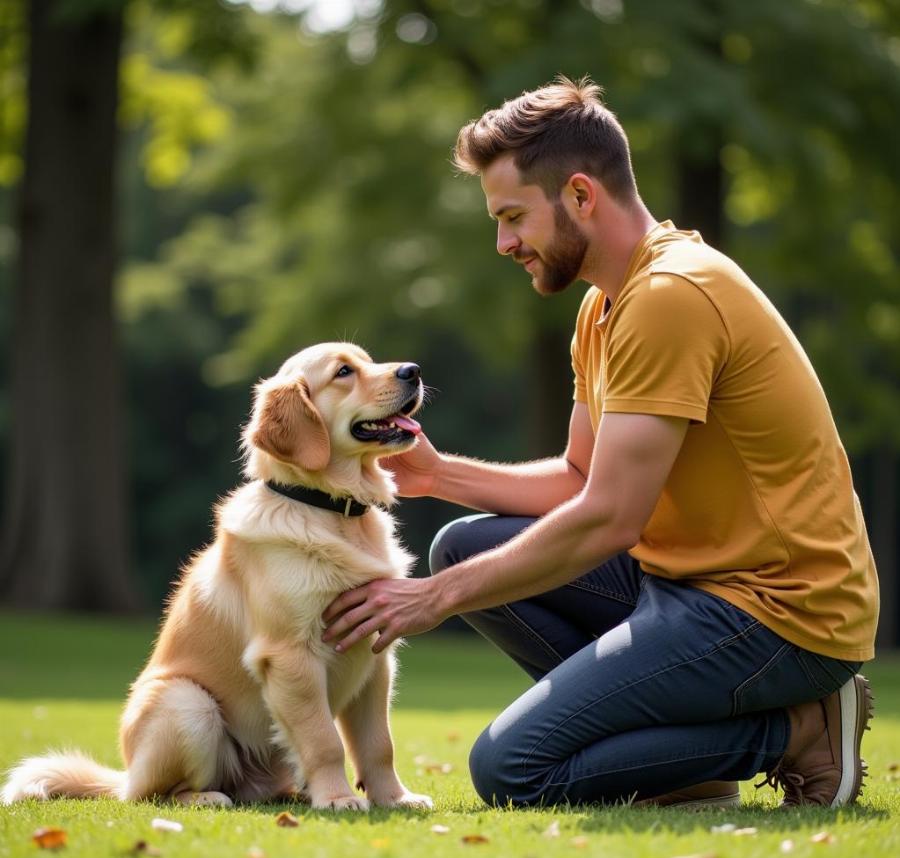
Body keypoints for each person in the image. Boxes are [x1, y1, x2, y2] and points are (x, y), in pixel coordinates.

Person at [322, 76, 879, 808]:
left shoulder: (671, 296)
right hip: (685, 585)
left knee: (512, 771)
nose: (504, 243)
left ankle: (799, 732)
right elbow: (584, 478)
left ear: (581, 196)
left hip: (777, 613)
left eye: (514, 217)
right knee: (463, 544)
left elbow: (610, 518)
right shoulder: (604, 308)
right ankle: (688, 768)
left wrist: (437, 599)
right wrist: (438, 475)